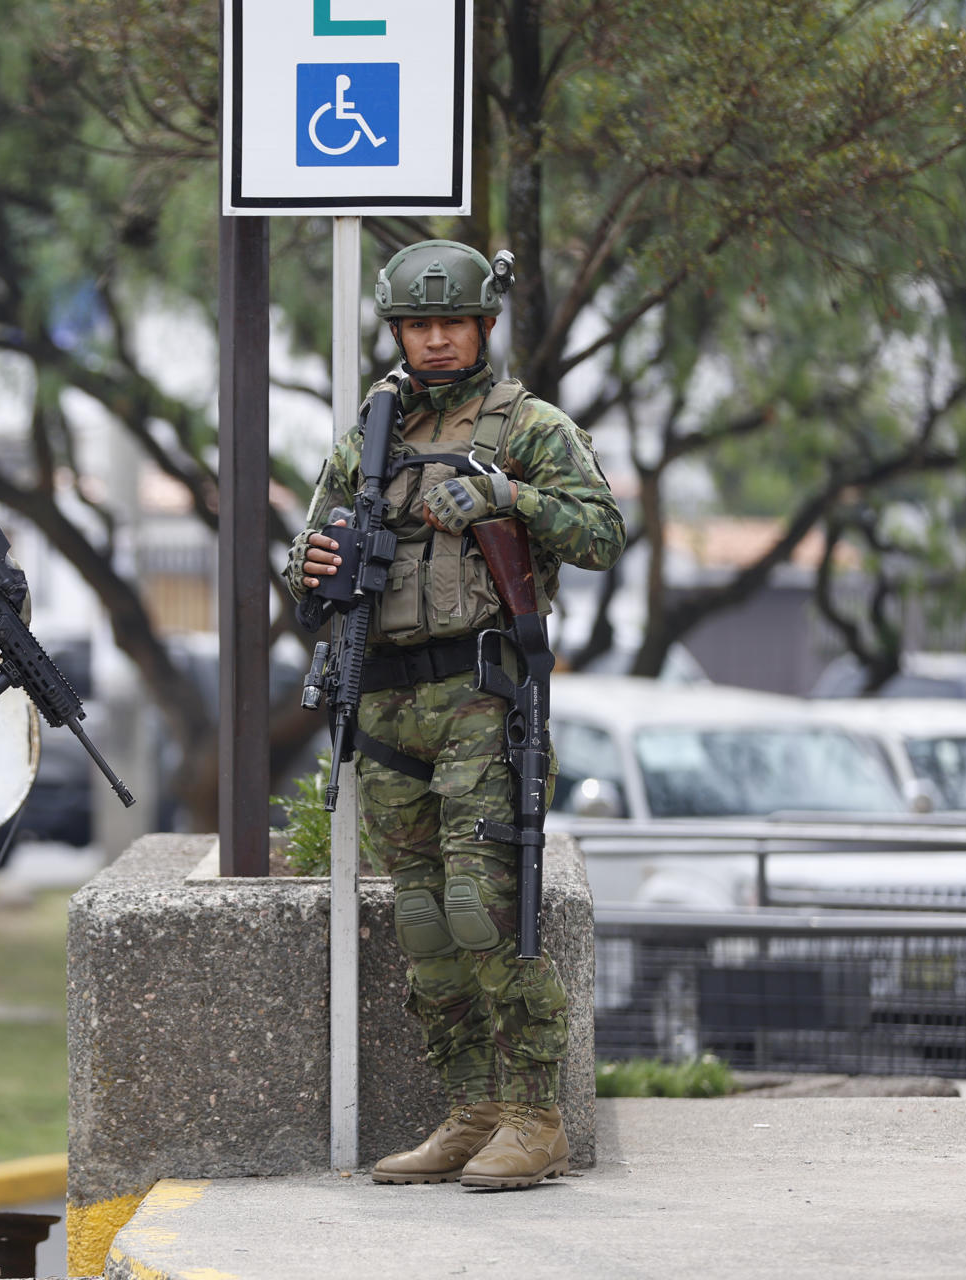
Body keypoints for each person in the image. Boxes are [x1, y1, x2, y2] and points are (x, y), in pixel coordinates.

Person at [285, 239, 625, 1189]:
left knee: (484, 906)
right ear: (396, 330)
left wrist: (509, 495)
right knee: (425, 920)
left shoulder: (530, 425)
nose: (434, 341)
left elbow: (602, 531)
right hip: (387, 694)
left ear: (483, 326)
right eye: (417, 325)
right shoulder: (372, 430)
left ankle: (535, 1115)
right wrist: (309, 565)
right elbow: (310, 547)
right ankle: (472, 1109)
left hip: (483, 692)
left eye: (452, 323)